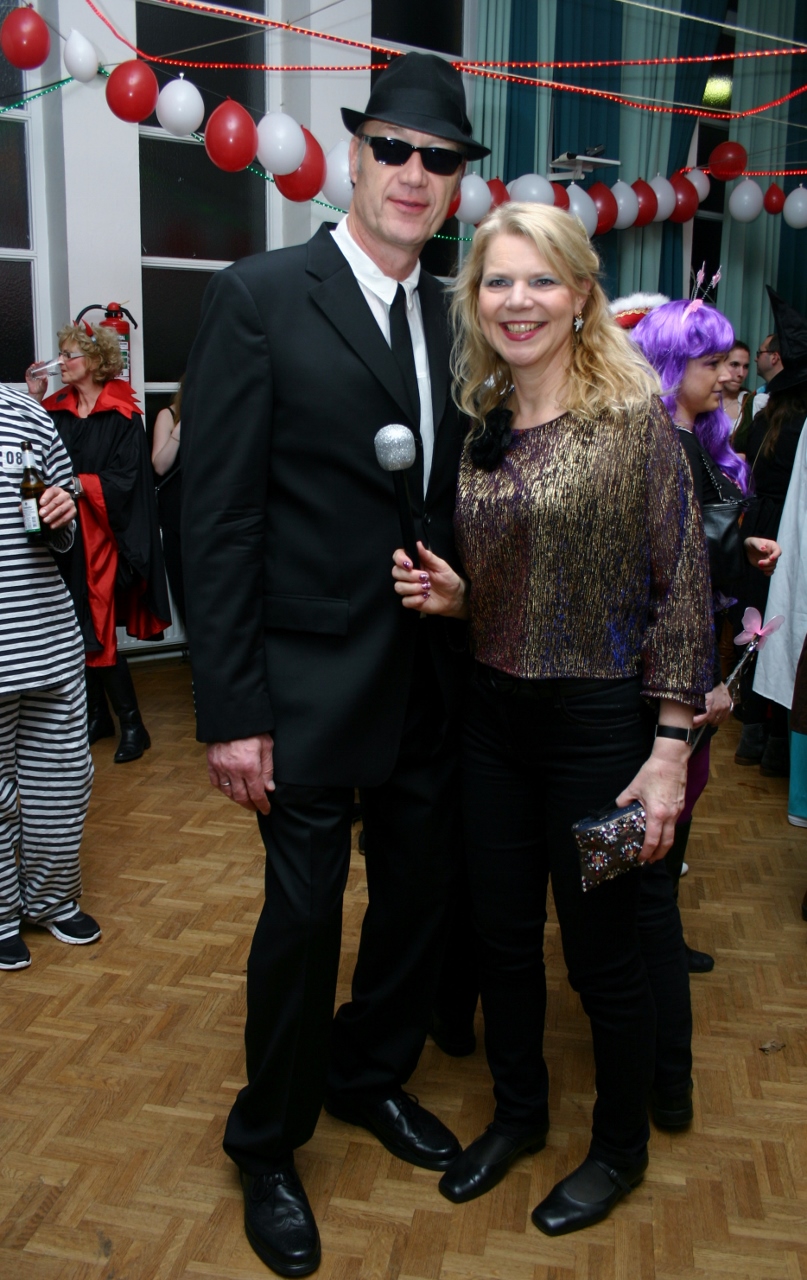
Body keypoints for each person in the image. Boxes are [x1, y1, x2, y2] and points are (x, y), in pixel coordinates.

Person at [181, 53, 487, 1278]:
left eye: (439, 158)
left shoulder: (459, 314)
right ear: (353, 157)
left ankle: (367, 1075)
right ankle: (266, 1140)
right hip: (303, 685)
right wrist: (230, 709)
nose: (414, 172)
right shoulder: (260, 295)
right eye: (394, 149)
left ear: (456, 184)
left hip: (428, 679)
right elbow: (216, 519)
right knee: (304, 921)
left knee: (417, 904)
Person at [391, 203, 713, 1235]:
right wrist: (462, 601)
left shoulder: (634, 423)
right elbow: (525, 582)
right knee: (501, 940)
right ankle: (519, 1116)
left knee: (604, 952)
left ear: (579, 294)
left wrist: (669, 751)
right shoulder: (480, 429)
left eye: (539, 280)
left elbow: (680, 589)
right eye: (497, 281)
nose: (517, 301)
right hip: (492, 728)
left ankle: (618, 1148)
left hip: (602, 734)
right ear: (475, 300)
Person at [633, 299, 779, 973]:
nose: (727, 375)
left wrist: (738, 546)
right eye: (711, 362)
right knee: (659, 809)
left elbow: (696, 550)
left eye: (728, 361)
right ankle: (646, 950)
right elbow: (665, 583)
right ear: (671, 365)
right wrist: (706, 682)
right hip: (671, 669)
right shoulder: (667, 446)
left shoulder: (693, 440)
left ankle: (653, 941)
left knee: (678, 802)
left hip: (694, 660)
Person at [26, 325, 171, 764]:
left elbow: (127, 481)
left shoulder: (123, 415)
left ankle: (134, 725)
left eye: (69, 355)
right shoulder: (56, 410)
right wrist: (34, 397)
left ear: (93, 361)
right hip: (66, 537)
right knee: (75, 625)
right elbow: (32, 452)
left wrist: (77, 485)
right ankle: (99, 717)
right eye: (61, 354)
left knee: (99, 626)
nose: (61, 362)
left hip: (106, 537)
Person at [0, 382, 99, 970]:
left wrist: (62, 514)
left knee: (63, 782)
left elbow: (61, 527)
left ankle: (51, 901)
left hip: (48, 638)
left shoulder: (26, 413)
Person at [735, 290, 807, 775]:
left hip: (761, 523)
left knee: (756, 627)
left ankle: (751, 737)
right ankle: (778, 745)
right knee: (784, 630)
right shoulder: (800, 422)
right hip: (788, 529)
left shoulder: (766, 417)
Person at [151, 379, 185, 626]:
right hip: (175, 516)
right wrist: (179, 431)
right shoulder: (168, 415)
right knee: (182, 585)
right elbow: (160, 466)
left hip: (205, 515)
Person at [722, 341, 751, 431]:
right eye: (734, 365)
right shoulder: (702, 401)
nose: (741, 374)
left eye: (745, 366)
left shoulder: (750, 404)